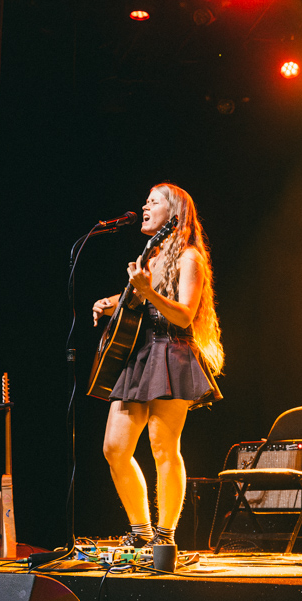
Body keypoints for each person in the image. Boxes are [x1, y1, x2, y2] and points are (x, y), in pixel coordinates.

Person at [92, 183, 224, 548]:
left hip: (172, 352)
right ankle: (141, 530)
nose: (145, 206)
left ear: (174, 213)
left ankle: (164, 537)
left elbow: (183, 315)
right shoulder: (152, 255)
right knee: (114, 448)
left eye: (154, 201)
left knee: (163, 447)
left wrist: (147, 291)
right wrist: (110, 301)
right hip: (140, 353)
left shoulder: (190, 257)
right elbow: (143, 298)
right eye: (146, 200)